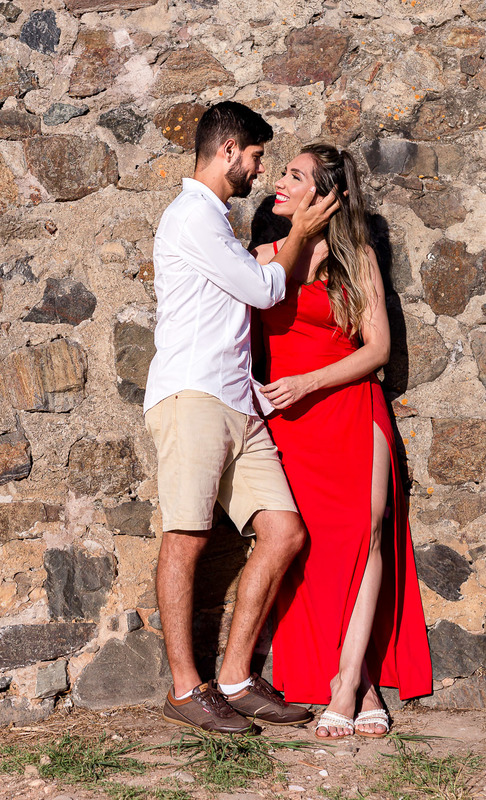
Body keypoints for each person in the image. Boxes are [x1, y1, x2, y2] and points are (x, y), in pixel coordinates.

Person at [144, 102, 339, 733]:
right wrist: (302, 235)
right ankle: (184, 689)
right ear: (230, 149)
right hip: (193, 396)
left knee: (284, 533)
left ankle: (234, 677)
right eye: (256, 157)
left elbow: (251, 278)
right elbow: (262, 290)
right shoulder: (191, 217)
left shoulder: (218, 224)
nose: (259, 170)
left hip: (237, 399)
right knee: (187, 535)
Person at [252, 144, 433, 738]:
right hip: (290, 423)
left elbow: (377, 351)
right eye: (282, 172)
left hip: (352, 408)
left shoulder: (357, 261)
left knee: (367, 535)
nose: (279, 182)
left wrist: (309, 381)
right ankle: (351, 678)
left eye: (295, 176)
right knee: (311, 549)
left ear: (329, 196)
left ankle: (351, 681)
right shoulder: (261, 258)